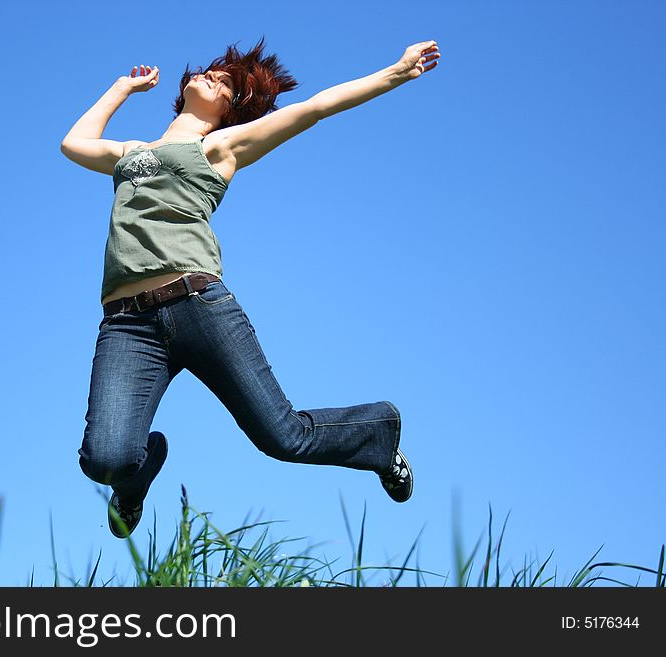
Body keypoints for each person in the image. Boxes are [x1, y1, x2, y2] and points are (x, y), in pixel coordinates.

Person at [61, 36, 440, 538]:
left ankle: (377, 433)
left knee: (283, 438)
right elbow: (74, 144)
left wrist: (395, 72)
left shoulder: (220, 147)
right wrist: (121, 89)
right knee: (106, 460)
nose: (210, 76)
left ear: (233, 110)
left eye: (224, 83)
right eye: (212, 72)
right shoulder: (131, 152)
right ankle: (136, 480)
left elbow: (315, 108)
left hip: (199, 304)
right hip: (128, 324)